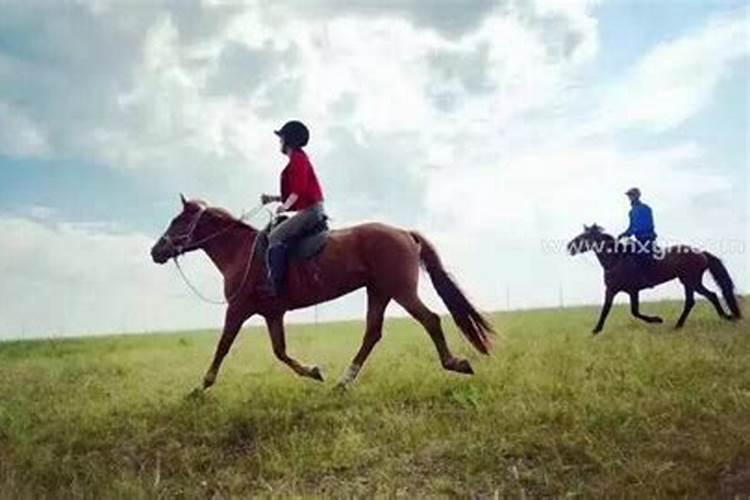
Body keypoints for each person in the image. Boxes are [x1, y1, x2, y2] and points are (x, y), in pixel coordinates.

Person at [260, 120, 326, 296]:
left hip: (312, 211)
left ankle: (276, 285)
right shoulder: (297, 159)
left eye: (281, 139)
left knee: (275, 236)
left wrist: (284, 206)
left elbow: (299, 190)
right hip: (309, 208)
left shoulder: (298, 158)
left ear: (288, 140)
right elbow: (296, 194)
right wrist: (273, 199)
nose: (280, 143)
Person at [617, 187, 657, 280]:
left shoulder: (646, 208)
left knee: (643, 257)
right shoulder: (631, 212)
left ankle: (648, 278)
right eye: (629, 195)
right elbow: (631, 226)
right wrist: (623, 234)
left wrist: (633, 231)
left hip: (647, 238)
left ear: (637, 196)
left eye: (631, 195)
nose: (630, 197)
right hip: (639, 239)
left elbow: (647, 224)